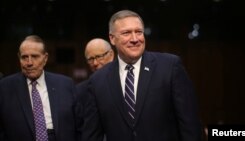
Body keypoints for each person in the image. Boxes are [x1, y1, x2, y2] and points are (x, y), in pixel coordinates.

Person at [82, 10, 202, 141]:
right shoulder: (98, 81)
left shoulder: (170, 67)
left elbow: (190, 124)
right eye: (126, 33)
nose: (134, 39)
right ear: (112, 38)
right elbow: (92, 135)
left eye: (138, 32)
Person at [0, 35, 80, 141]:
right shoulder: (5, 87)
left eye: (35, 56)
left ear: (45, 58)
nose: (29, 63)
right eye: (24, 57)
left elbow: (80, 125)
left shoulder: (65, 84)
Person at [76, 38, 114, 141]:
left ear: (111, 55)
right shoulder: (80, 91)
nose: (95, 63)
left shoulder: (126, 82)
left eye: (99, 57)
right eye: (90, 59)